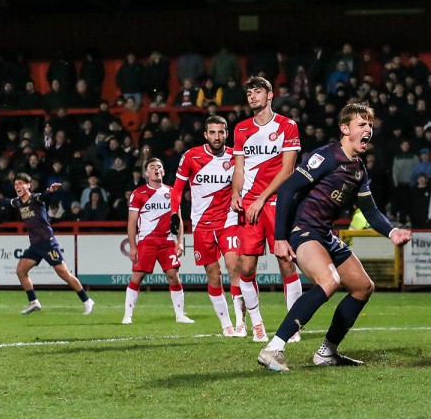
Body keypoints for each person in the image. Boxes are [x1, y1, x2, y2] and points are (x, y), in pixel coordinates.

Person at [257, 103, 412, 371]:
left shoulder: (359, 169)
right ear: (345, 129)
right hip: (304, 230)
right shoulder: (326, 156)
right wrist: (280, 237)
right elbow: (287, 189)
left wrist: (392, 231)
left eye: (370, 125)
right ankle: (273, 349)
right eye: (361, 124)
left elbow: (370, 210)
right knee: (329, 281)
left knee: (363, 287)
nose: (368, 130)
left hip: (324, 234)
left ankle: (327, 352)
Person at [231, 77, 303, 343]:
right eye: (249, 92)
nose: (252, 96)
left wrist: (261, 199)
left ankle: (293, 325)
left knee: (286, 262)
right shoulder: (241, 129)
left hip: (276, 203)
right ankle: (257, 323)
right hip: (249, 205)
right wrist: (235, 193)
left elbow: (288, 170)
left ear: (270, 95)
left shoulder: (287, 125)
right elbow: (239, 169)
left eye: (257, 91)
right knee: (246, 267)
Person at [170, 115, 246, 337]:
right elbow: (177, 189)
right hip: (202, 225)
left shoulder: (235, 156)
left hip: (228, 220)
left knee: (234, 266)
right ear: (205, 135)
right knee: (213, 275)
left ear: (227, 134)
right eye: (212, 132)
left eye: (221, 132)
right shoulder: (191, 156)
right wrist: (174, 212)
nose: (217, 136)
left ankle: (241, 323)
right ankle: (226, 325)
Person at [0, 174, 94, 315]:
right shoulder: (18, 202)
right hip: (35, 245)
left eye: (20, 183)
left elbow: (43, 196)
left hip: (48, 242)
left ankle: (87, 300)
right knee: (21, 270)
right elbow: (5, 201)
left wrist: (50, 190)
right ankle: (34, 302)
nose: (17, 186)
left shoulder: (35, 198)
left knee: (63, 273)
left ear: (28, 185)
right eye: (15, 184)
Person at [122, 158, 193, 325]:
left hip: (167, 241)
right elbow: (132, 222)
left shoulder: (172, 192)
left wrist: (180, 241)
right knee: (137, 276)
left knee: (173, 275)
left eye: (159, 167)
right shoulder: (138, 193)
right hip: (146, 241)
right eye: (152, 167)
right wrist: (133, 246)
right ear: (147, 173)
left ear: (163, 172)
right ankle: (127, 315)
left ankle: (180, 315)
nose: (156, 169)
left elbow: (178, 219)